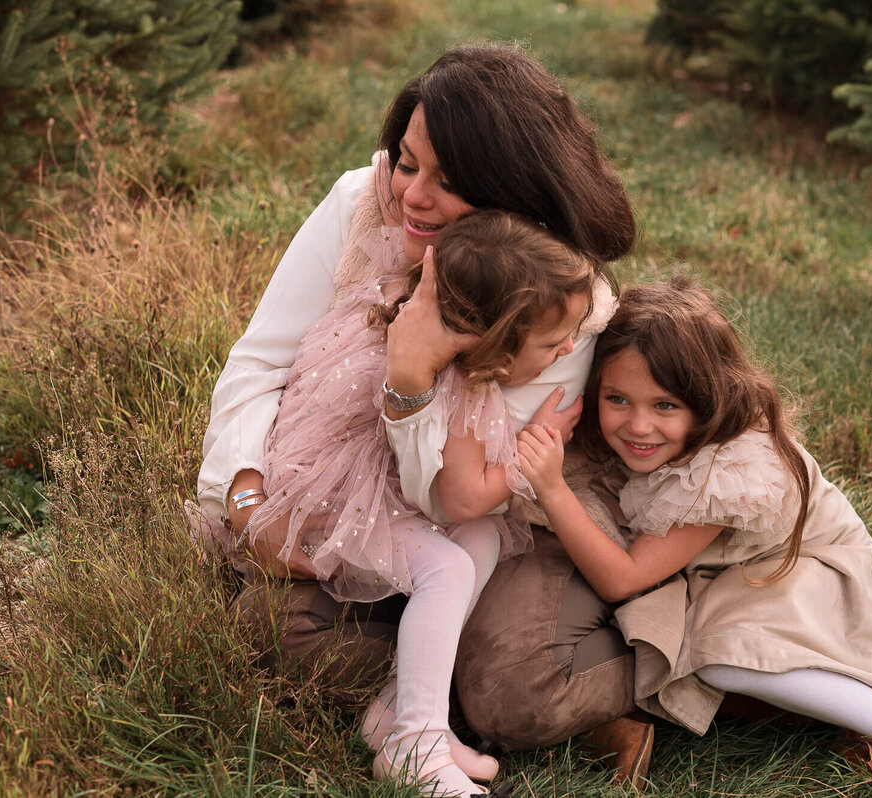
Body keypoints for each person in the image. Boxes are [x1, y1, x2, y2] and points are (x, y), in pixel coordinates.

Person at [193, 41, 645, 787]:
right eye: (408, 162)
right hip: (363, 503)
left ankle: (645, 675)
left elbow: (458, 498)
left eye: (450, 181)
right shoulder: (359, 204)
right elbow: (259, 363)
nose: (412, 197)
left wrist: (409, 379)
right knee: (272, 629)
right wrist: (247, 499)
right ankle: (415, 709)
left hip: (495, 518)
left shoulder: (563, 305)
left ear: (516, 199)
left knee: (506, 688)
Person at [515, 276, 872, 798]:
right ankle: (806, 707)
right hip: (730, 573)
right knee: (677, 640)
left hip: (803, 571)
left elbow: (623, 579)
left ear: (708, 400)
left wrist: (553, 490)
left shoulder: (722, 476)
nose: (638, 425)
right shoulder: (651, 447)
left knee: (719, 652)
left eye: (664, 406)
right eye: (617, 399)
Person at [230, 209, 595, 797]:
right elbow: (461, 497)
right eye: (554, 342)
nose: (571, 348)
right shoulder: (461, 383)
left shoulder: (429, 330)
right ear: (498, 348)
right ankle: (415, 747)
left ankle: (396, 710)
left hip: (356, 491)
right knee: (447, 562)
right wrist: (534, 453)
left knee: (481, 541)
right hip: (322, 506)